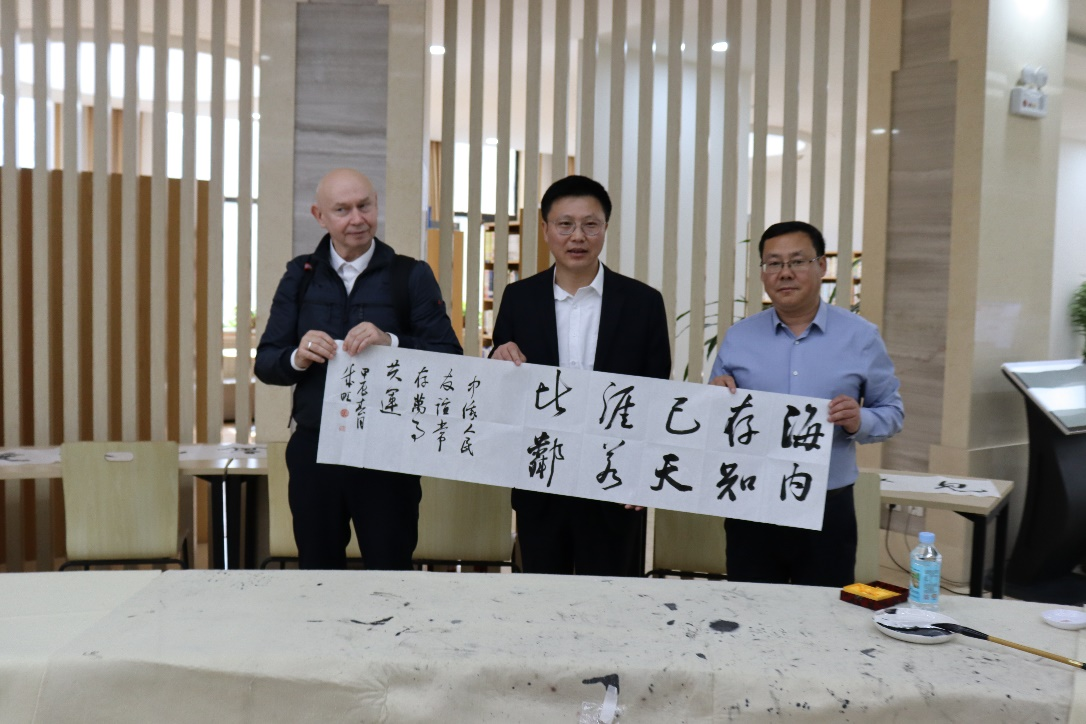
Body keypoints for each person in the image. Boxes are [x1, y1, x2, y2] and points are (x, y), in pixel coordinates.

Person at [256, 168, 462, 570]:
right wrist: (298, 356)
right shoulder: (300, 276)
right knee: (318, 570)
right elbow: (266, 362)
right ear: (319, 216)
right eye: (342, 210)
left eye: (364, 206)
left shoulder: (410, 275)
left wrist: (392, 343)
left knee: (390, 570)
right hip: (315, 446)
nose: (357, 219)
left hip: (388, 449)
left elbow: (448, 358)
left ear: (376, 205)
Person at [490, 174, 672, 576]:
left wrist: (642, 470)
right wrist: (497, 356)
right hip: (541, 475)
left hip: (615, 479)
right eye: (565, 224)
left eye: (590, 224)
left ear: (605, 228)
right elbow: (503, 379)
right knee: (542, 595)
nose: (578, 236)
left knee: (611, 596)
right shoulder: (519, 298)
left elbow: (655, 394)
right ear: (545, 230)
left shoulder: (643, 303)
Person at [709, 220, 904, 587]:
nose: (785, 273)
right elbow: (715, 416)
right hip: (752, 500)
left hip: (827, 506)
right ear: (763, 272)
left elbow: (892, 412)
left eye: (797, 261)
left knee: (824, 609)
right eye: (773, 263)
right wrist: (715, 398)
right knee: (750, 607)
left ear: (821, 266)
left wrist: (858, 419)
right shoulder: (739, 338)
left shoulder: (860, 337)